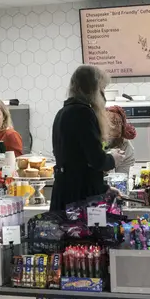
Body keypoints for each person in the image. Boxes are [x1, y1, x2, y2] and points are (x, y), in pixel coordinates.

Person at [50, 65, 135, 210]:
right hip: (79, 200)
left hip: (64, 193)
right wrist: (112, 158)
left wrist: (104, 189)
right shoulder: (84, 113)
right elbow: (97, 160)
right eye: (102, 88)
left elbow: (79, 162)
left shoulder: (62, 112)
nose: (103, 95)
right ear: (93, 89)